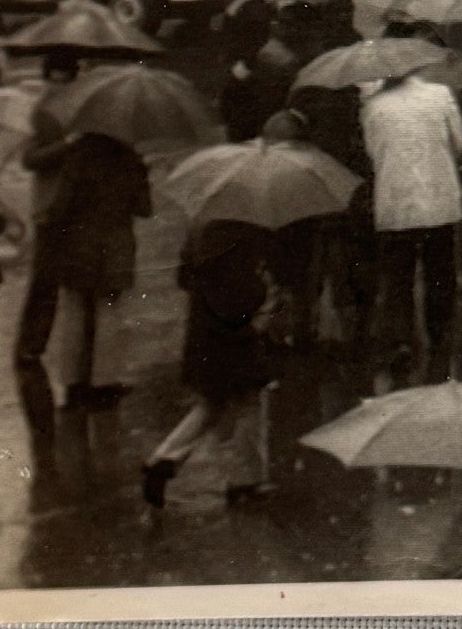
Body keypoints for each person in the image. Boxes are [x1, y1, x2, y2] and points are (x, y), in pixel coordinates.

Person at [141, 220, 287, 509]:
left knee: (212, 404)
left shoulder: (200, 227)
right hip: (233, 340)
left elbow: (185, 278)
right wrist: (265, 303)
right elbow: (241, 295)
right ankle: (246, 481)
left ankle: (163, 461)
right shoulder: (240, 233)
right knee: (247, 406)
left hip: (207, 338)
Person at [359, 69, 462, 381]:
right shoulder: (440, 94)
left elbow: (372, 153)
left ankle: (401, 341)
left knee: (398, 277)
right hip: (439, 199)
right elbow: (458, 144)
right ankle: (439, 341)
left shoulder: (373, 105)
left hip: (395, 202)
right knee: (440, 275)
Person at [33, 131, 153, 407]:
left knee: (74, 312)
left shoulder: (78, 158)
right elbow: (144, 209)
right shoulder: (131, 161)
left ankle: (73, 383)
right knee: (109, 313)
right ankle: (105, 382)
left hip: (79, 246)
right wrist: (143, 177)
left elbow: (61, 207)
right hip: (116, 249)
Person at [12, 48, 83, 368]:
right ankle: (31, 344)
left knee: (70, 281)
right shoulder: (43, 110)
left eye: (65, 80)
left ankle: (56, 348)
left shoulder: (82, 108)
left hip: (76, 205)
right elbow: (29, 159)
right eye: (55, 80)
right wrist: (67, 145)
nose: (59, 87)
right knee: (45, 281)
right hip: (50, 208)